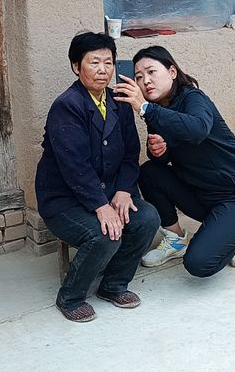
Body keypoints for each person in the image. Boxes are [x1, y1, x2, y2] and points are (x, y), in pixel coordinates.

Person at [35, 32, 160, 322]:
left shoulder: (119, 100)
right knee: (104, 235)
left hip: (110, 191)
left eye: (108, 62)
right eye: (94, 62)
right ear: (76, 66)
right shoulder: (67, 105)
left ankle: (113, 285)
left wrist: (125, 190)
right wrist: (101, 206)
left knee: (147, 219)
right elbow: (73, 166)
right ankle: (70, 297)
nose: (103, 70)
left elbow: (130, 153)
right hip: (65, 199)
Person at [113, 46, 235, 277]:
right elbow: (165, 158)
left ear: (172, 72)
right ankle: (176, 239)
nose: (146, 81)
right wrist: (159, 151)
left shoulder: (193, 98)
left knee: (198, 263)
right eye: (139, 77)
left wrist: (144, 108)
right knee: (149, 172)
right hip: (203, 196)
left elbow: (197, 129)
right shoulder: (157, 109)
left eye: (152, 72)